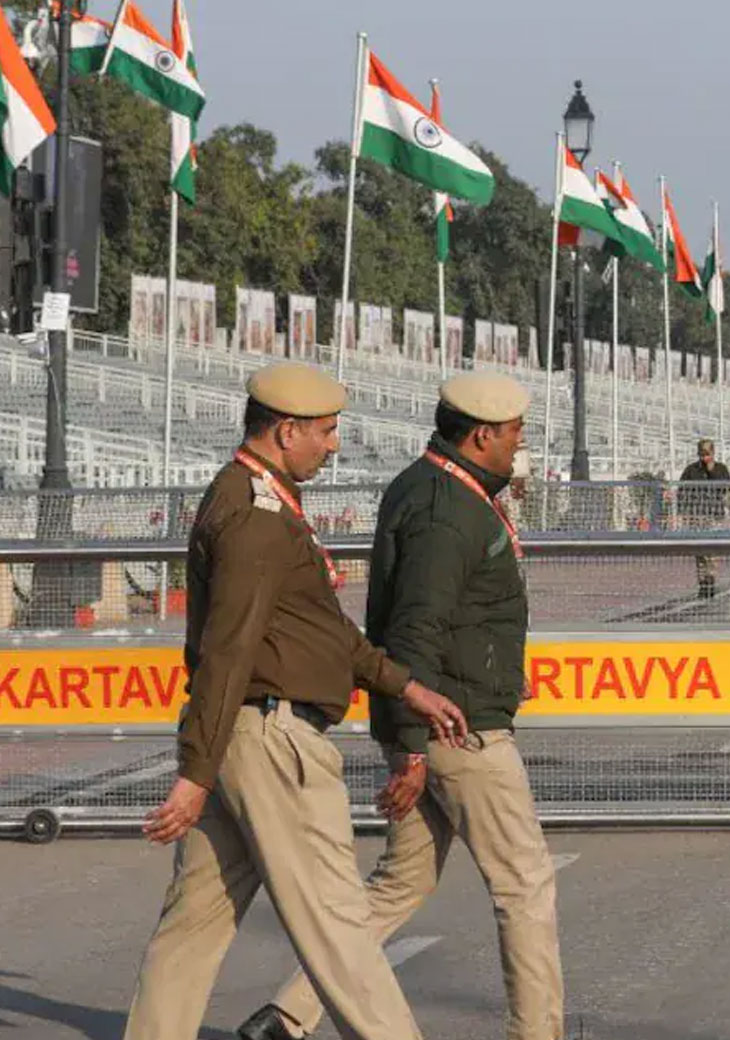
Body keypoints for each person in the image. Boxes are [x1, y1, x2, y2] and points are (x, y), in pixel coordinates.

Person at [123, 364, 468, 1040]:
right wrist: (195, 775)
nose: (334, 445)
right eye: (327, 431)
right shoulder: (255, 518)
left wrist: (405, 685)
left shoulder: (261, 499)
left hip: (244, 739)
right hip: (271, 741)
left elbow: (320, 629)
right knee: (339, 924)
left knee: (194, 923)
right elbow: (229, 652)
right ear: (286, 431)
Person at [239, 374, 561, 1040]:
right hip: (457, 726)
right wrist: (413, 744)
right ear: (481, 435)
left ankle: (287, 1017)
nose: (520, 446)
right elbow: (417, 627)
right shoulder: (448, 511)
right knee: (525, 883)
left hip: (435, 716)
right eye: (514, 434)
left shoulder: (431, 484)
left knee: (399, 884)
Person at [680, 438, 730, 598]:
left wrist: (712, 471)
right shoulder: (691, 470)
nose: (704, 458)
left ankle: (710, 581)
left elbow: (726, 487)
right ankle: (703, 583)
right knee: (700, 551)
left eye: (707, 454)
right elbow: (682, 491)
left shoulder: (721, 469)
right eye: (702, 454)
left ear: (713, 453)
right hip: (697, 514)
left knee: (712, 550)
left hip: (714, 515)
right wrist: (684, 513)